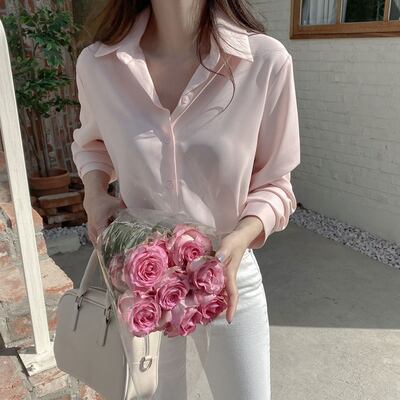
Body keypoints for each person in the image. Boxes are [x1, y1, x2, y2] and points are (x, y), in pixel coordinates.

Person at [71, 1, 301, 399]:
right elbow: (92, 143)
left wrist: (242, 236)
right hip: (140, 281)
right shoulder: (98, 65)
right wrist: (95, 194)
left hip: (225, 278)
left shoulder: (265, 62)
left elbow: (276, 184)